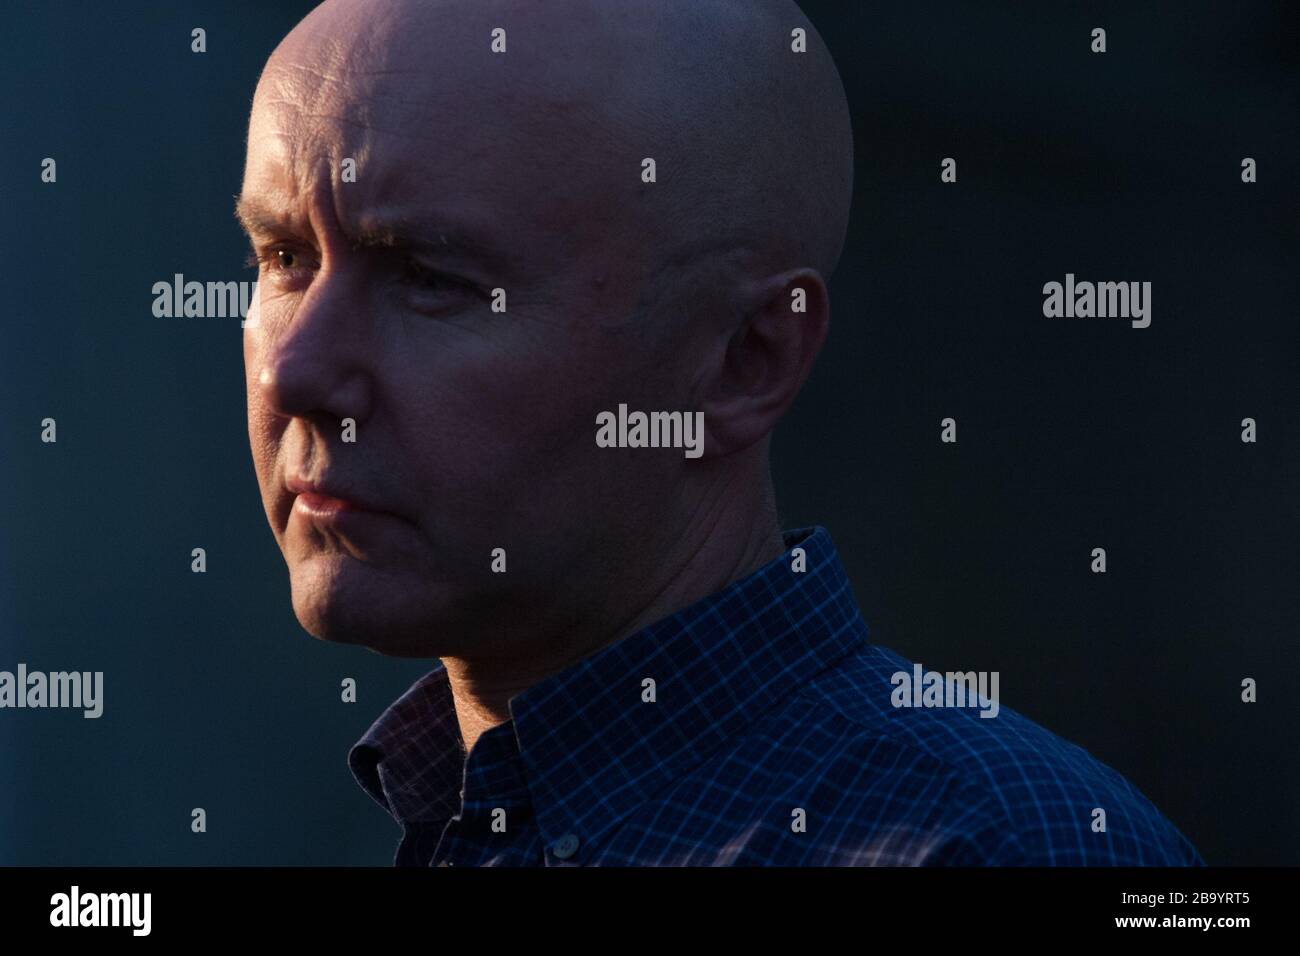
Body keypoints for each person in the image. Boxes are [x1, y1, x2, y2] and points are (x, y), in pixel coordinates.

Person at [238, 0, 1203, 866]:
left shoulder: (997, 848)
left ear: (748, 357)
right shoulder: (461, 803)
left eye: (431, 279)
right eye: (284, 256)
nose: (295, 369)